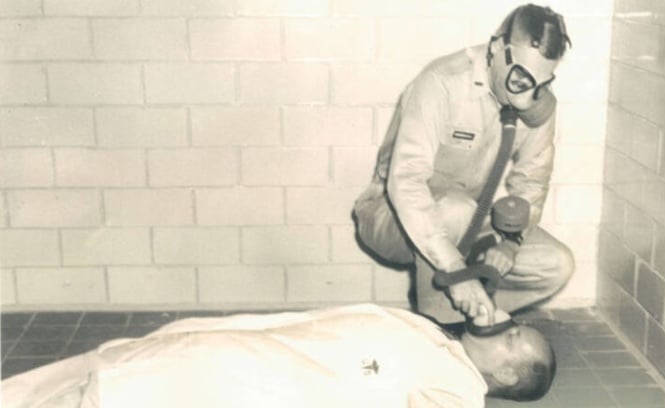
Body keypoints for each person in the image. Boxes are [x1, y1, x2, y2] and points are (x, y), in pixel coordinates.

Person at [353, 3, 575, 326]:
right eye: (521, 81)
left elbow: (532, 182)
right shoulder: (441, 83)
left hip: (467, 215)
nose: (528, 99)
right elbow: (406, 183)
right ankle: (442, 333)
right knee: (456, 211)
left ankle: (476, 313)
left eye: (542, 84)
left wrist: (511, 243)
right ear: (499, 47)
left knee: (556, 263)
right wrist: (456, 271)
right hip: (391, 215)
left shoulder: (535, 99)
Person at [1, 304, 555, 407]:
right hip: (265, 344)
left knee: (134, 382)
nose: (506, 325)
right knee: (132, 357)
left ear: (505, 373)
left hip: (263, 378)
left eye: (514, 339)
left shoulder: (461, 389)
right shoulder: (440, 337)